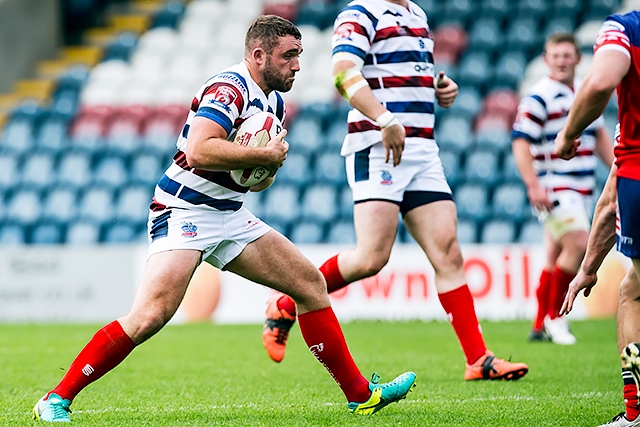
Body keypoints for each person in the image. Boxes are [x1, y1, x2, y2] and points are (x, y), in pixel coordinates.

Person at [32, 15, 417, 423]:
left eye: (299, 56)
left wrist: (265, 170)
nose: (297, 66)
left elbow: (252, 183)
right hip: (184, 211)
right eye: (289, 56)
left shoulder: (275, 102)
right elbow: (199, 150)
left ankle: (360, 394)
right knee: (149, 317)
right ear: (258, 55)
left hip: (228, 213)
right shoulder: (229, 89)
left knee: (309, 284)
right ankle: (56, 398)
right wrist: (263, 157)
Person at [261, 0, 529, 382]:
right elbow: (343, 73)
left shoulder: (416, 13)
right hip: (377, 145)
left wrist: (437, 84)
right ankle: (286, 302)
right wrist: (384, 118)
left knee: (449, 253)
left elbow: (401, 70)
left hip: (421, 149)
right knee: (371, 258)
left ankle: (478, 359)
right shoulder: (360, 12)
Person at [555, 10, 640, 427]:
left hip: (628, 176)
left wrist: (569, 133)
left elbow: (602, 80)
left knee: (634, 291)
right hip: (567, 195)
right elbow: (607, 203)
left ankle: (635, 411)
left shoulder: (626, 27)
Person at [512, 32, 614, 345]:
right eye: (555, 56)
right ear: (546, 60)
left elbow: (598, 136)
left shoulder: (583, 91)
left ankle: (538, 324)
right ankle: (556, 318)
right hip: (555, 188)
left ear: (577, 59)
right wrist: (533, 185)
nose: (561, 61)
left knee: (553, 257)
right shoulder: (539, 95)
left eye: (567, 55)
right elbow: (520, 140)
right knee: (580, 245)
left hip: (581, 188)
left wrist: (617, 169)